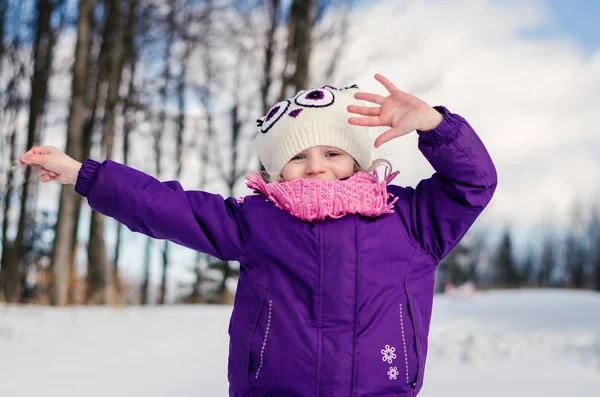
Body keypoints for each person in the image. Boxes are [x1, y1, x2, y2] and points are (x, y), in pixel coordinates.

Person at [20, 74, 497, 396]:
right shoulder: (258, 222)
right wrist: (83, 173)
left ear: (357, 159)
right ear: (275, 171)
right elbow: (166, 207)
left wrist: (436, 127)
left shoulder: (410, 221)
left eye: (332, 152)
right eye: (297, 156)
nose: (316, 166)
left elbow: (473, 184)